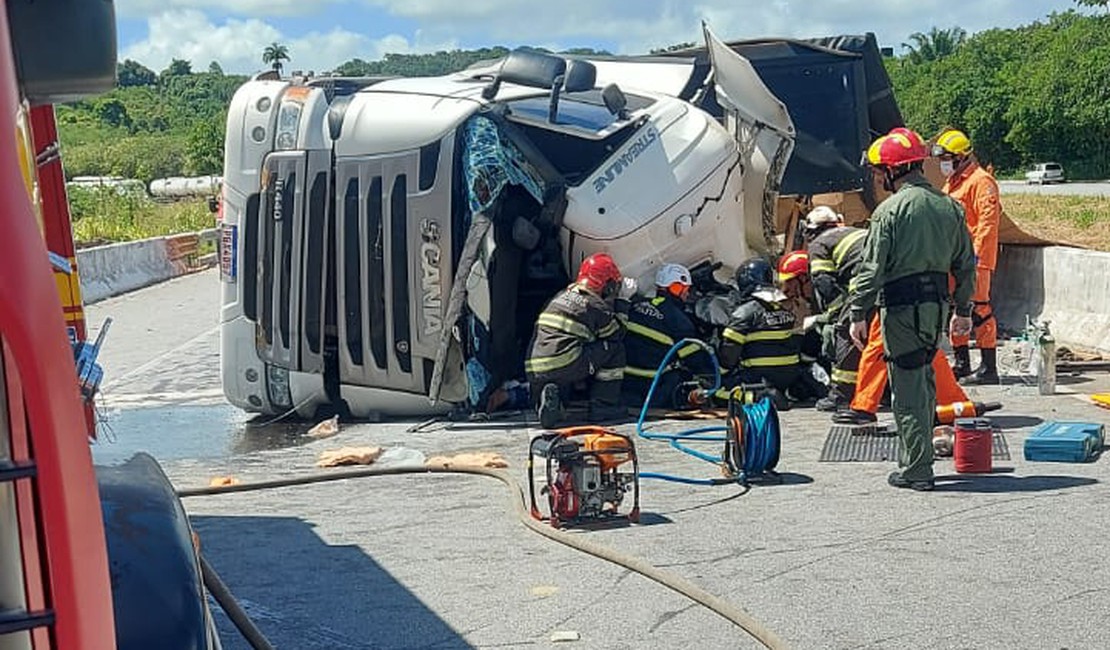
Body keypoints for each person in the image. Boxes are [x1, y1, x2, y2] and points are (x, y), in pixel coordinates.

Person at [851, 127, 975, 491]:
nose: (877, 179)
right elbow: (966, 264)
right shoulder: (950, 206)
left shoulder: (889, 211)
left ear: (893, 171)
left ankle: (916, 470)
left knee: (906, 387)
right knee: (923, 380)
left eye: (879, 173)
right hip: (935, 308)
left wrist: (858, 313)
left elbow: (872, 268)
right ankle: (916, 460)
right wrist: (964, 309)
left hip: (902, 310)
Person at [525, 253, 635, 428]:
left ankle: (550, 403)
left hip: (535, 368)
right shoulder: (595, 305)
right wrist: (623, 301)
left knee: (565, 372)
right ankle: (603, 406)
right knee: (615, 348)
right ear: (605, 284)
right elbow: (617, 334)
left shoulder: (559, 296)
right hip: (565, 363)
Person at [933, 128, 1002, 384]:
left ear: (962, 156)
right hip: (954, 258)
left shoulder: (981, 182)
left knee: (979, 309)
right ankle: (962, 363)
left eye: (946, 158)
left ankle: (988, 368)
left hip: (975, 260)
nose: (943, 164)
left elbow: (987, 223)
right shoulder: (953, 183)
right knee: (957, 308)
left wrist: (976, 257)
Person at [718, 258, 825, 404]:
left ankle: (759, 397)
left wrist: (720, 373)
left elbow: (729, 353)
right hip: (789, 376)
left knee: (718, 393)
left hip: (758, 376)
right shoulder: (787, 308)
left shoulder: (744, 312)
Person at [798, 206, 868, 412]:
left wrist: (835, 314)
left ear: (811, 231)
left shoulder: (819, 244)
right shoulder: (857, 232)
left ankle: (840, 396)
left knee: (846, 336)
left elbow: (823, 281)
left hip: (862, 289)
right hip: (892, 288)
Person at [622, 263, 716, 409]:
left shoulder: (636, 305)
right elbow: (695, 362)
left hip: (623, 382)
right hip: (651, 387)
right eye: (683, 288)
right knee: (681, 375)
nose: (686, 293)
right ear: (674, 288)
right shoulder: (680, 321)